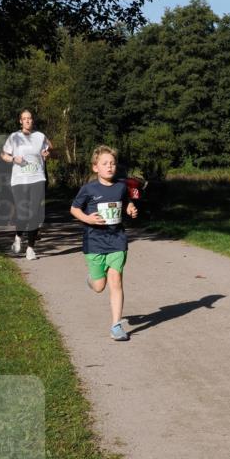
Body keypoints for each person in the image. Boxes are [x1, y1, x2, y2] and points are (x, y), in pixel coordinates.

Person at [70, 145, 138, 342]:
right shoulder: (88, 189)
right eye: (105, 163)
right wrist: (88, 219)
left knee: (116, 281)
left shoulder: (121, 186)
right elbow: (74, 209)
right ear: (95, 167)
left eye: (112, 163)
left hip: (117, 240)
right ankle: (92, 278)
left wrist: (131, 209)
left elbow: (127, 203)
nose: (110, 167)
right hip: (94, 241)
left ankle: (116, 325)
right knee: (99, 286)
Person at [1, 109, 52, 260]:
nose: (28, 121)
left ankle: (30, 248)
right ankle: (18, 236)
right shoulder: (14, 137)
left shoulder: (40, 136)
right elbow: (3, 154)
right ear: (20, 121)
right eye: (25, 119)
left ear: (32, 120)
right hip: (19, 180)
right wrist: (12, 159)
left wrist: (47, 153)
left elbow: (50, 148)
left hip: (37, 177)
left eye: (30, 118)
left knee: (35, 213)